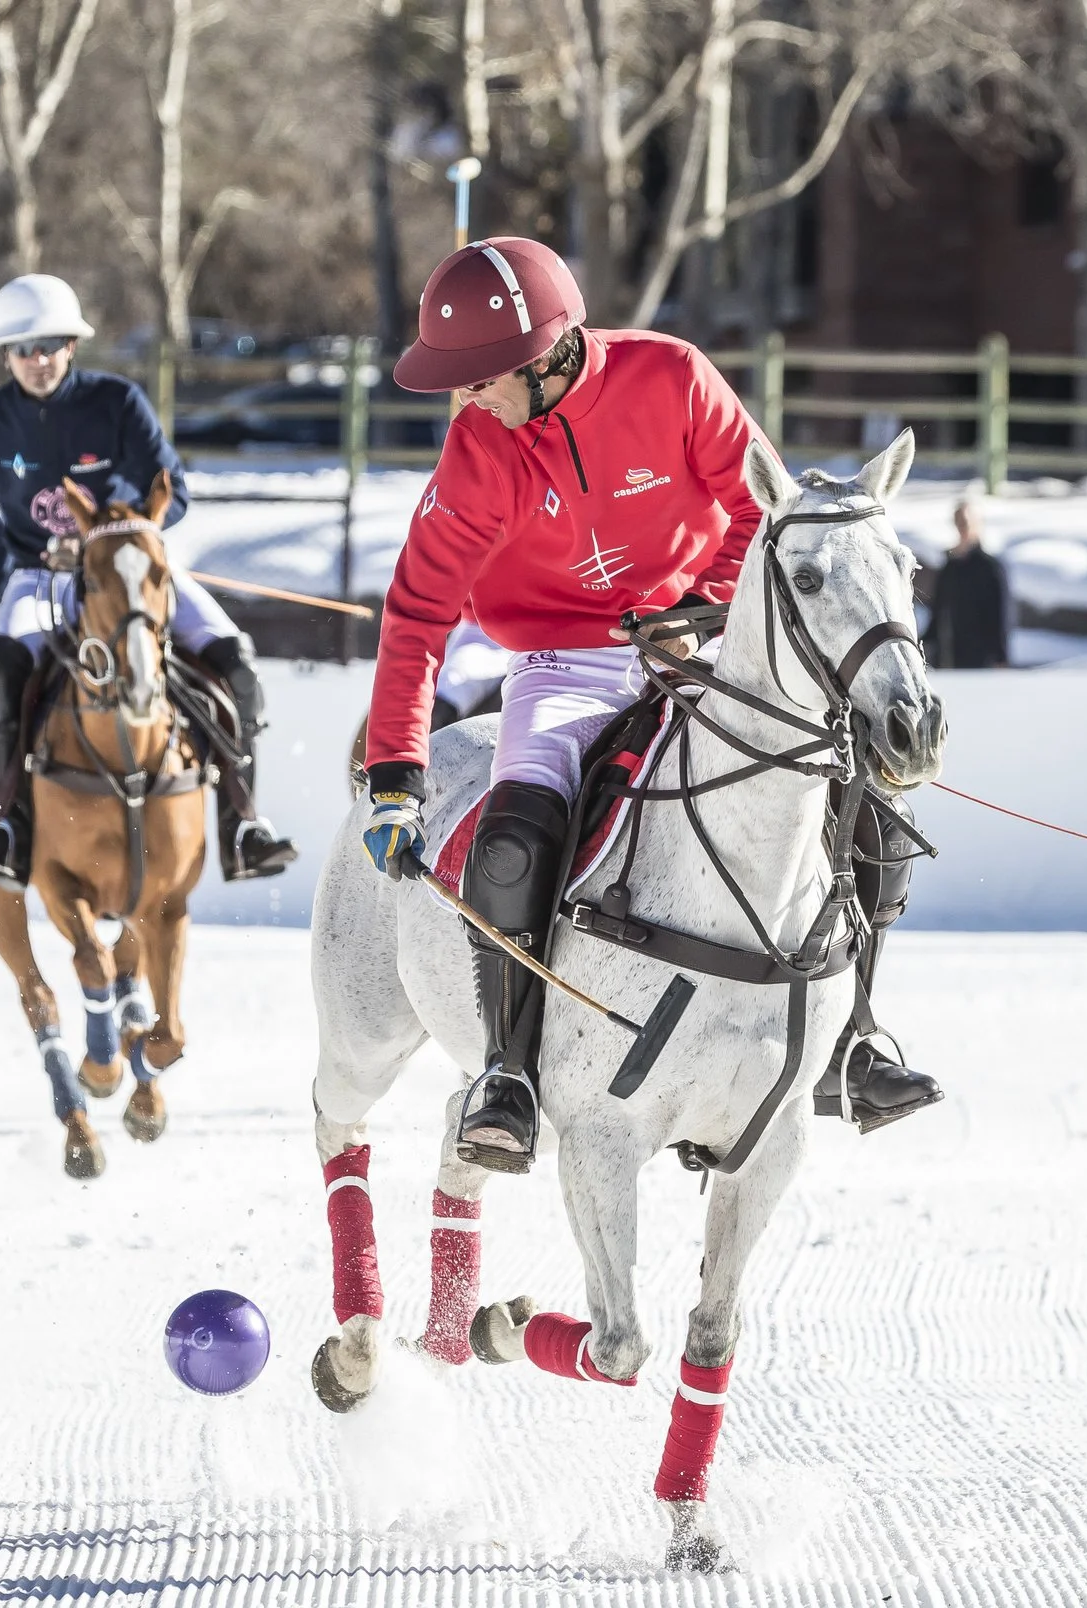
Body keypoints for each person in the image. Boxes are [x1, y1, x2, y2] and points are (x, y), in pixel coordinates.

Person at [357, 236, 941, 1175]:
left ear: (541, 357)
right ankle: (509, 1068)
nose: (462, 399)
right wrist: (395, 773)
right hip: (563, 663)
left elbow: (765, 514)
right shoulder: (480, 446)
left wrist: (691, 609)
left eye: (474, 379)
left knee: (864, 797)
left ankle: (851, 1039)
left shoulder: (672, 378)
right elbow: (419, 609)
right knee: (515, 827)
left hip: (703, 639)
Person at [0, 273, 294, 885]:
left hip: (133, 573)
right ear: (5, 355)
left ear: (71, 346)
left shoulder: (117, 402)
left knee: (235, 662)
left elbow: (174, 489)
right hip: (40, 579)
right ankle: (7, 826)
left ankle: (243, 823)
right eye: (23, 349)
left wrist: (121, 533)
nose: (37, 360)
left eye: (49, 345)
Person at [923, 498, 1011, 669]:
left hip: (981, 659)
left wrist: (1001, 657)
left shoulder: (990, 567)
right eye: (959, 522)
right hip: (948, 657)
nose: (962, 527)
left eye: (966, 522)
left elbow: (1001, 616)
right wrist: (924, 643)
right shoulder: (949, 566)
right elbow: (938, 612)